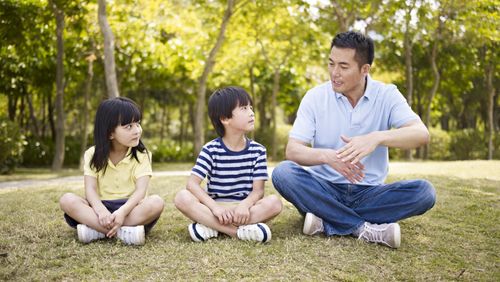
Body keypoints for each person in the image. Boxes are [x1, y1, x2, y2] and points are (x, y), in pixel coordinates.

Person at [271, 31, 436, 248]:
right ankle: (362, 228)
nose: (334, 73)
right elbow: (293, 151)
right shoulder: (315, 97)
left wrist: (376, 138)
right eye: (331, 64)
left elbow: (421, 134)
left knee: (424, 193)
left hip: (369, 193)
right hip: (323, 189)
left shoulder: (387, 95)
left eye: (343, 66)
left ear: (364, 69)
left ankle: (327, 220)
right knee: (283, 173)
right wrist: (327, 157)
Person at [174, 86, 282, 243]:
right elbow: (192, 184)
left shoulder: (258, 151)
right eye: (244, 108)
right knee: (182, 197)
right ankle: (236, 232)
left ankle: (210, 227)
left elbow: (258, 192)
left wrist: (244, 206)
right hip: (215, 208)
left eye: (251, 108)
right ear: (225, 118)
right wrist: (215, 208)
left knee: (274, 203)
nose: (252, 113)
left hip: (244, 209)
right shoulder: (211, 149)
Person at [59, 97, 164, 245]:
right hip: (100, 208)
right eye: (129, 126)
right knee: (67, 200)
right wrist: (101, 211)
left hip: (131, 208)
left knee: (156, 202)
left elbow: (140, 192)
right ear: (110, 133)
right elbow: (90, 190)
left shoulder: (143, 155)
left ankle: (97, 230)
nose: (137, 131)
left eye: (138, 124)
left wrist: (122, 212)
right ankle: (124, 233)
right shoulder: (92, 154)